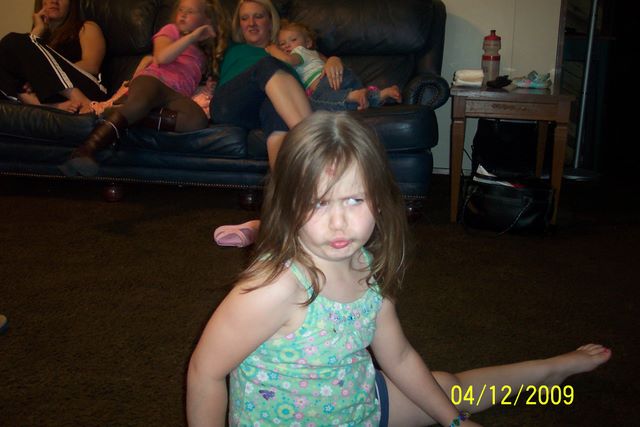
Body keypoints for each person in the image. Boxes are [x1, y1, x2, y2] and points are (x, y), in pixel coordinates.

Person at [186, 112, 612, 426]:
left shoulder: (365, 266)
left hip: (360, 406)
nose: (339, 223)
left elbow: (400, 356)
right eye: (318, 203)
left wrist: (455, 422)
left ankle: (552, 372)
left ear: (378, 199)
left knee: (453, 389)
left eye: (355, 200)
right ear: (287, 205)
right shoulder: (273, 287)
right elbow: (205, 372)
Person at [211, 0, 344, 247]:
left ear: (271, 21)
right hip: (229, 104)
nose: (251, 23)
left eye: (258, 16)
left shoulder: (290, 53)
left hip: (269, 105)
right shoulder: (238, 49)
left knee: (275, 110)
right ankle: (317, 148)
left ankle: (278, 220)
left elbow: (317, 59)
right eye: (244, 18)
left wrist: (333, 59)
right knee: (268, 65)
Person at [59, 0, 229, 177]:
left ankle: (121, 112)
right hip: (153, 80)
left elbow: (193, 79)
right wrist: (192, 37)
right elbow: (161, 57)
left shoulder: (203, 53)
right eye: (181, 10)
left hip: (176, 95)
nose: (183, 15)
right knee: (141, 102)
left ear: (206, 19)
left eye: (191, 11)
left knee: (197, 120)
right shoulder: (171, 30)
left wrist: (209, 85)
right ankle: (85, 150)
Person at [0, 0, 108, 114]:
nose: (54, 1)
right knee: (5, 55)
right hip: (53, 96)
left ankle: (82, 101)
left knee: (11, 40)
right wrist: (38, 29)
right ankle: (49, 106)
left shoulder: (86, 27)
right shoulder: (39, 39)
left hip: (88, 89)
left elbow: (91, 66)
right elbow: (25, 57)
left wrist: (42, 74)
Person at [268, 20, 402, 111]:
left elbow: (288, 60)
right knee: (358, 104)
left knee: (313, 102)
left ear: (308, 43)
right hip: (344, 77)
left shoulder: (299, 52)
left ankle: (352, 96)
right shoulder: (316, 54)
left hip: (327, 83)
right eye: (282, 44)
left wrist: (272, 48)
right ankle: (382, 94)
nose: (287, 45)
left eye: (293, 40)